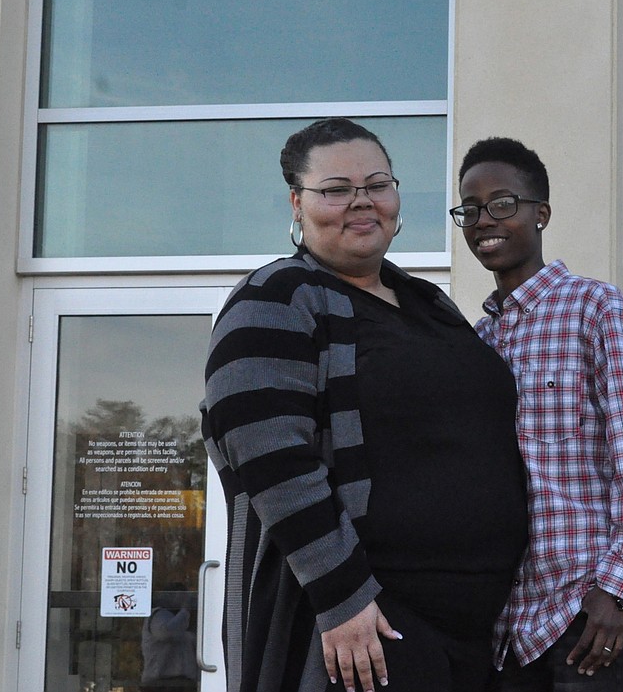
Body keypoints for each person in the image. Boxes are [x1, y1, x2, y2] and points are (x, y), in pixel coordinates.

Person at [201, 118, 528, 692]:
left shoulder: (430, 303)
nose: (361, 202)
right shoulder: (275, 297)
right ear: (297, 204)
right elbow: (269, 453)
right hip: (369, 623)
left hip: (478, 626)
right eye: (335, 190)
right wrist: (342, 596)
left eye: (377, 185)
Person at [452, 137, 623, 690]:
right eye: (472, 208)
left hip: (590, 610)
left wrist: (617, 590)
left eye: (503, 203)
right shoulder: (478, 340)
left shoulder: (594, 307)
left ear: (541, 214)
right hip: (514, 625)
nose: (486, 220)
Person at [140, 583, 196, 691]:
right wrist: (185, 610)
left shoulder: (178, 619)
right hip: (161, 681)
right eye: (181, 596)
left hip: (179, 681)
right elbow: (166, 632)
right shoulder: (159, 615)